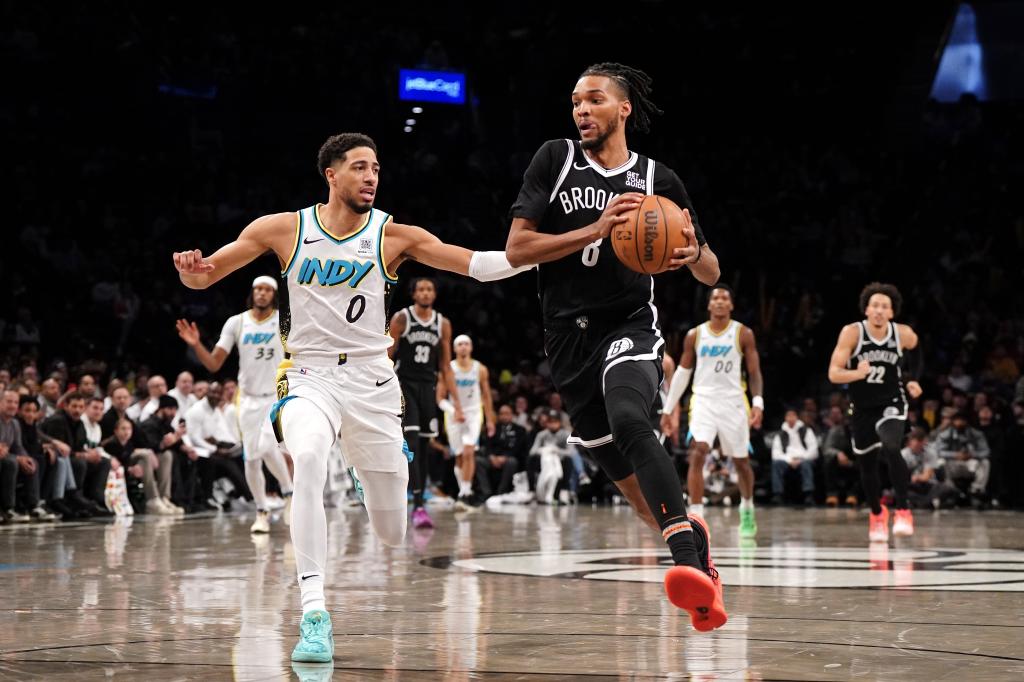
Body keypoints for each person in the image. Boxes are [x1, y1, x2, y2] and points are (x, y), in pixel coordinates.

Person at [172, 131, 530, 662]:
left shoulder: (392, 235)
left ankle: (368, 471)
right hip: (308, 375)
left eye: (376, 168)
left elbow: (477, 263)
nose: (371, 177)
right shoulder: (283, 229)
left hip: (372, 383)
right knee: (308, 459)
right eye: (360, 167)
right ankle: (314, 613)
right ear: (331, 174)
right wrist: (192, 272)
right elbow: (206, 278)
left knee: (391, 532)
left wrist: (548, 254)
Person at [505, 62, 725, 630]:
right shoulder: (555, 159)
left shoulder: (657, 179)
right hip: (566, 338)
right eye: (576, 101)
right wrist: (594, 230)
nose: (581, 109)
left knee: (630, 418)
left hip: (628, 323)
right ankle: (700, 559)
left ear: (623, 109)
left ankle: (687, 565)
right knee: (644, 504)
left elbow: (710, 270)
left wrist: (692, 255)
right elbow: (517, 250)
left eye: (594, 99)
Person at [176, 276, 295, 534]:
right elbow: (214, 364)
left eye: (267, 290)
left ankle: (288, 493)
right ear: (252, 293)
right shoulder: (237, 322)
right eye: (258, 289)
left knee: (266, 446)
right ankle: (263, 510)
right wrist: (196, 344)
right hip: (248, 399)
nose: (262, 293)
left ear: (274, 295)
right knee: (252, 458)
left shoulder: (284, 321)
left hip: (276, 396)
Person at [661, 284, 764, 538]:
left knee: (741, 462)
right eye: (715, 298)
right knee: (698, 452)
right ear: (709, 305)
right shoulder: (695, 335)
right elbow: (683, 373)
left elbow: (754, 373)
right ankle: (697, 517)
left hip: (733, 401)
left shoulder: (743, 333)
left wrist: (758, 402)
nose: (719, 301)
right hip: (703, 400)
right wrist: (668, 408)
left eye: (724, 298)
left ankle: (747, 508)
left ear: (731, 305)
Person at [828, 282, 922, 541]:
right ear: (866, 309)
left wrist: (913, 378)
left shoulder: (902, 333)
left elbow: (917, 352)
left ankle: (903, 510)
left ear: (892, 312)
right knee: (867, 465)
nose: (879, 310)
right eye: (875, 305)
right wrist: (856, 374)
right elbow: (834, 373)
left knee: (891, 446)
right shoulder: (852, 333)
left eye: (885, 306)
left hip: (892, 402)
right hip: (862, 408)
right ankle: (877, 514)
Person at [388, 277, 459, 529]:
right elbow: (387, 357)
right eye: (421, 289)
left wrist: (457, 403)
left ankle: (419, 500)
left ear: (435, 294)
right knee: (413, 443)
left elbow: (446, 367)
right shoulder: (402, 318)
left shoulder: (442, 324)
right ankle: (417, 504)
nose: (425, 293)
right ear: (413, 294)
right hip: (404, 386)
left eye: (429, 289)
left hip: (428, 388)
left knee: (426, 446)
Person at [437, 334, 496, 511]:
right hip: (453, 415)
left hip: (473, 414)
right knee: (460, 456)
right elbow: (440, 398)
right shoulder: (448, 369)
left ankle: (465, 493)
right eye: (460, 344)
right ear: (455, 348)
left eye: (466, 343)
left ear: (471, 347)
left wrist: (490, 419)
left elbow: (486, 396)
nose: (463, 346)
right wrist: (454, 411)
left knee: (469, 451)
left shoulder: (480, 369)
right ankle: (464, 490)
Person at [770, 409, 819, 505]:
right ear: (785, 418)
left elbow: (814, 450)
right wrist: (789, 460)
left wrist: (801, 459)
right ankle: (778, 495)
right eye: (788, 416)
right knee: (776, 464)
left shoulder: (807, 431)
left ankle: (808, 495)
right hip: (787, 460)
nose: (791, 418)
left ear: (797, 417)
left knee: (806, 464)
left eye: (793, 416)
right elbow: (775, 454)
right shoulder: (780, 434)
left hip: (804, 458)